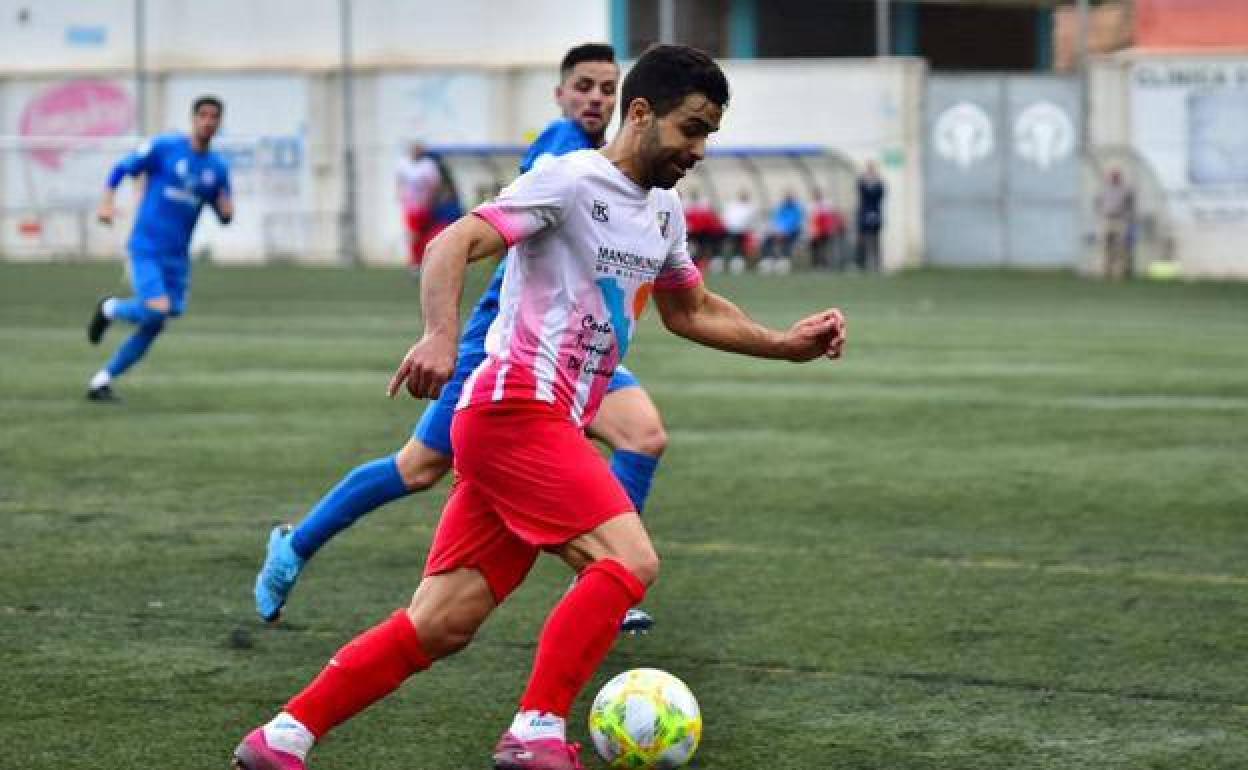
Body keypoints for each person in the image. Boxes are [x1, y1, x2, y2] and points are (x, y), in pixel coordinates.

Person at [231, 43, 846, 770]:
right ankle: (536, 731)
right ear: (641, 115)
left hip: (535, 424)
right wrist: (438, 333)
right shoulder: (569, 181)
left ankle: (283, 737)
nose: (700, 149)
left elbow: (691, 309)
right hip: (512, 407)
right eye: (691, 128)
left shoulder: (665, 212)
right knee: (627, 560)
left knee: (443, 622)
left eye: (709, 132)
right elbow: (453, 241)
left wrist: (785, 345)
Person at [253, 43, 662, 635]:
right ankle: (294, 545)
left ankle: (605, 585)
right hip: (508, 344)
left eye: (607, 87)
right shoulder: (563, 148)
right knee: (419, 467)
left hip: (574, 348)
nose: (596, 98)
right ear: (561, 94)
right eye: (584, 86)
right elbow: (483, 235)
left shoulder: (603, 161)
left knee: (644, 435)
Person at [85, 96, 233, 402]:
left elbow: (224, 210)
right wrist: (107, 203)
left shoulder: (217, 168)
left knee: (162, 317)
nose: (208, 121)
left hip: (177, 256)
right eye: (203, 115)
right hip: (147, 246)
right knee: (158, 310)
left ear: (219, 123)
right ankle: (109, 308)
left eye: (214, 117)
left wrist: (226, 211)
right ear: (193, 119)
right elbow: (122, 168)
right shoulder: (165, 147)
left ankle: (102, 381)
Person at [396, 142, 442, 271]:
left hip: (425, 206)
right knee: (413, 235)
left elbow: (435, 185)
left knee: (424, 236)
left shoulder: (428, 165)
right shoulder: (403, 165)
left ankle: (423, 261)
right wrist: (401, 197)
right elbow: (399, 182)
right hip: (411, 206)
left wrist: (430, 200)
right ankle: (415, 262)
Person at [1097, 168, 1136, 280]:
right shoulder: (1104, 189)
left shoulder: (1126, 190)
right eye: (1113, 176)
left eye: (1116, 176)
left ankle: (1120, 273)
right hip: (1107, 219)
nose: (1114, 178)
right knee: (1106, 247)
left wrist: (1128, 216)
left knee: (1120, 247)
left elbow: (1130, 204)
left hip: (1120, 219)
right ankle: (1106, 272)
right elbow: (1099, 202)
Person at [759, 190, 803, 274]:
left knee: (787, 241)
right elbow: (776, 221)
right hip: (778, 232)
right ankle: (768, 259)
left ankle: (784, 260)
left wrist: (785, 232)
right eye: (786, 197)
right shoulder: (780, 208)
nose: (788, 199)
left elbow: (796, 223)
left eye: (790, 197)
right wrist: (776, 231)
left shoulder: (797, 209)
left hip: (791, 232)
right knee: (767, 240)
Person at [854, 160, 885, 272]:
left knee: (875, 241)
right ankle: (862, 265)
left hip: (875, 214)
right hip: (864, 215)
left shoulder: (879, 184)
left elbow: (880, 195)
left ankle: (876, 265)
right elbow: (861, 190)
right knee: (863, 241)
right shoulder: (862, 182)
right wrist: (865, 180)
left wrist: (875, 181)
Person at [808, 189, 847, 270]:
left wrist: (832, 227)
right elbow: (811, 219)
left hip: (825, 230)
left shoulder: (827, 204)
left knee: (826, 248)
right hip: (816, 230)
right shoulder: (811, 205)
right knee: (816, 247)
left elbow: (831, 217)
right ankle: (816, 265)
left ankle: (827, 265)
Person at [720, 188, 757, 273]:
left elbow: (750, 222)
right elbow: (726, 218)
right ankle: (723, 259)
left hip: (742, 232)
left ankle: (738, 258)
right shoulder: (732, 205)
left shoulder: (751, 207)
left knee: (737, 239)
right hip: (730, 230)